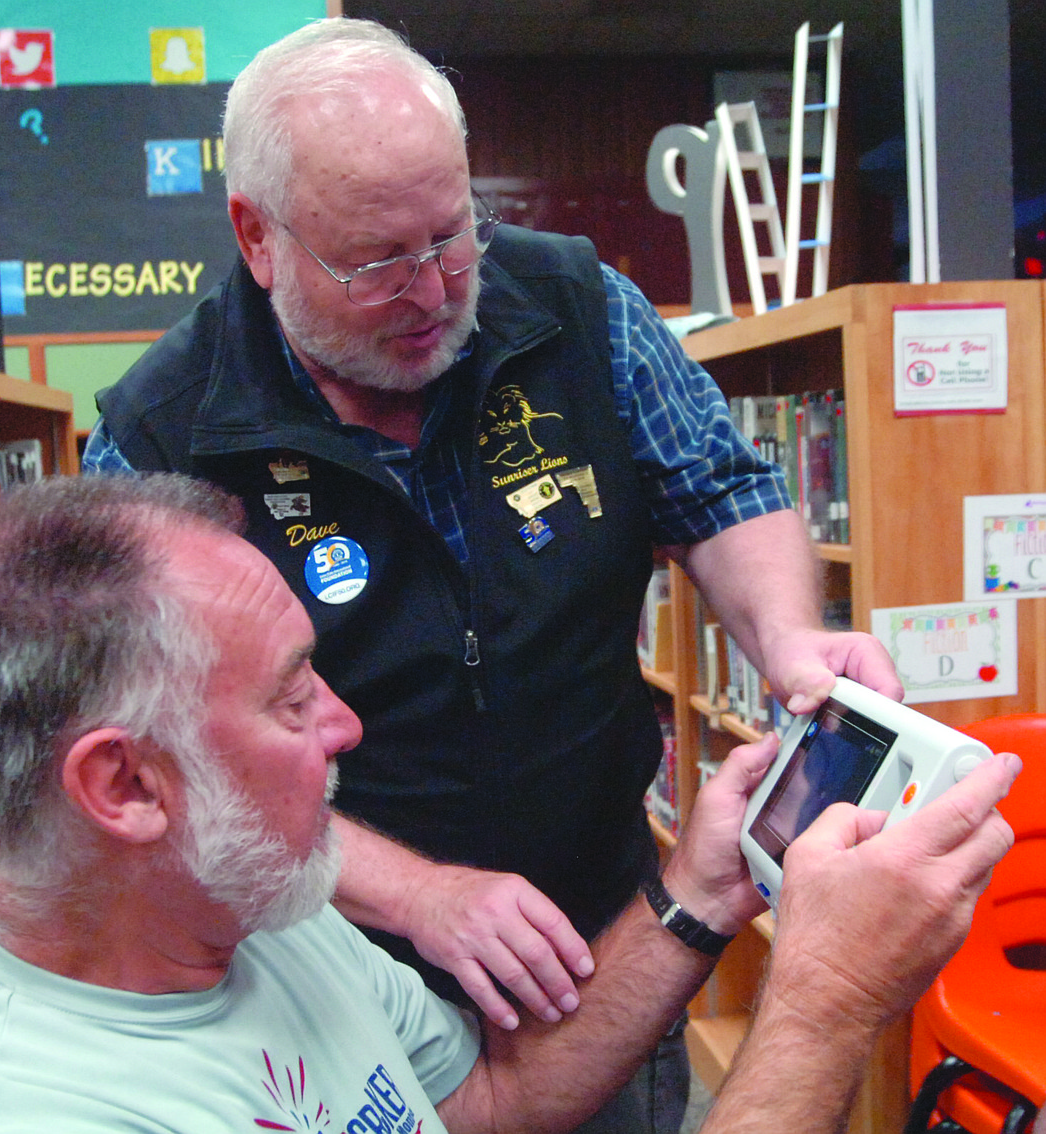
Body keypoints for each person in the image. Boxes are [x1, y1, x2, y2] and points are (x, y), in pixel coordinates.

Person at [82, 18, 903, 1130]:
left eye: (454, 232)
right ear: (258, 236)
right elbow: (166, 758)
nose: (433, 289)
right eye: (377, 260)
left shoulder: (574, 302)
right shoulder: (163, 433)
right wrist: (418, 894)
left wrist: (790, 641)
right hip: (327, 972)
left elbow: (721, 492)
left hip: (602, 941)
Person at [0, 474, 1018, 1134]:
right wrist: (826, 1001)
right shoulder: (21, 1117)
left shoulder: (248, 914)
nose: (345, 726)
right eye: (290, 698)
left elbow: (488, 1095)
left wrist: (700, 895)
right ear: (125, 786)